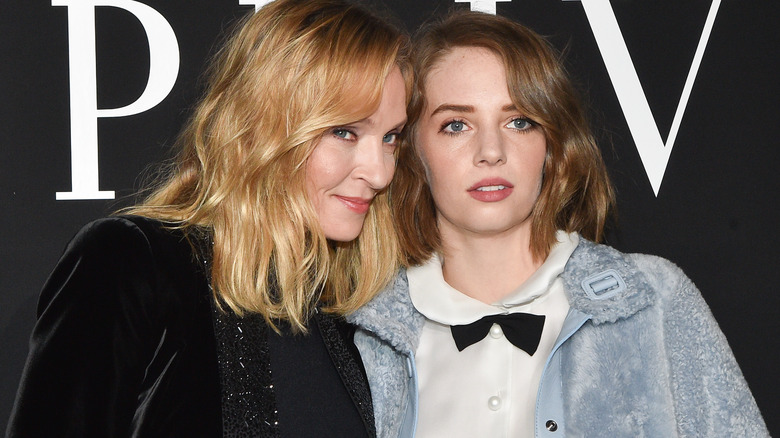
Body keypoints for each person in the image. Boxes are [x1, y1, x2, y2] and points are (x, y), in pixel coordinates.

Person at [347, 11, 769, 438]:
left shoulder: (652, 301)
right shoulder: (368, 334)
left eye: (519, 122)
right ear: (412, 149)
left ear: (551, 144)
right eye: (456, 125)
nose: (491, 151)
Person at [5, 0, 409, 436]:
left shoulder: (346, 310)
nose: (380, 173)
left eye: (390, 137)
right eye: (344, 131)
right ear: (265, 125)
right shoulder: (132, 263)